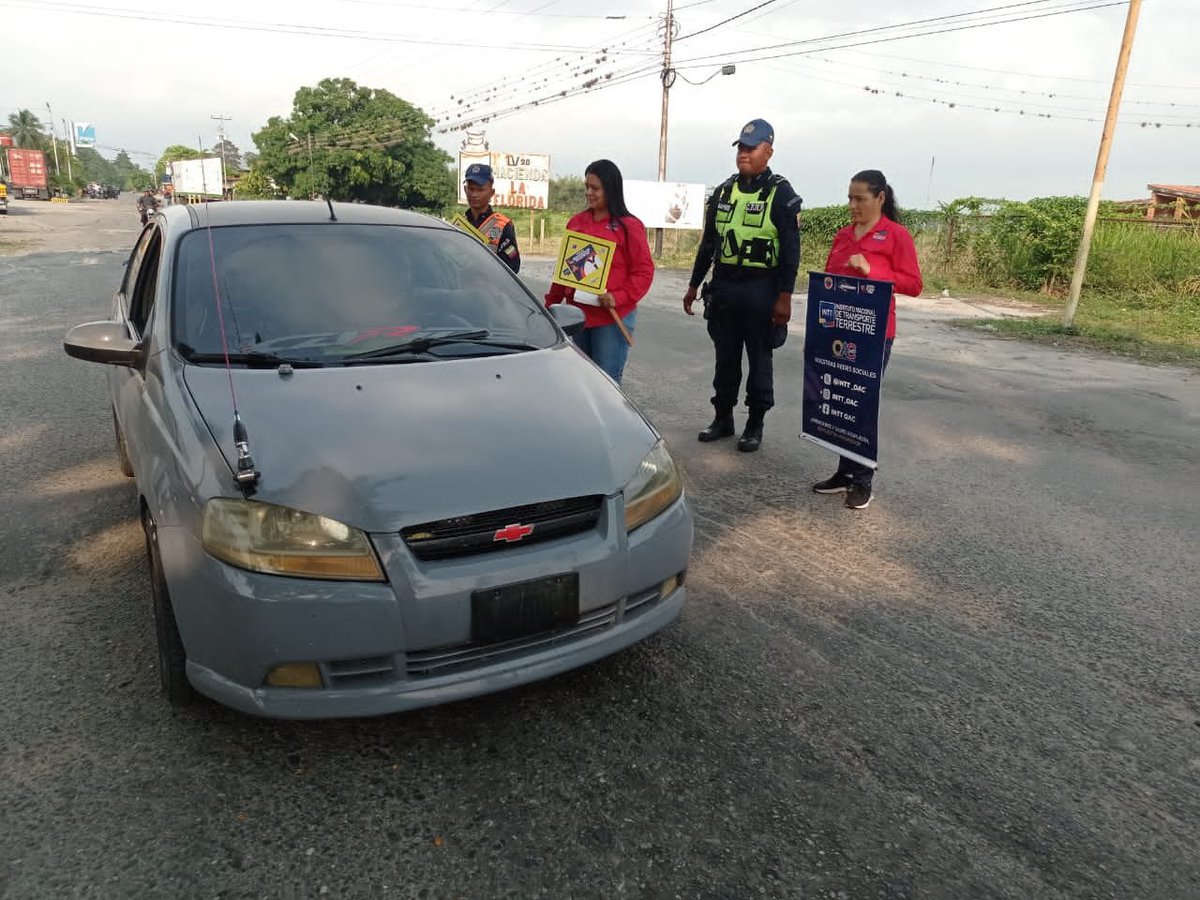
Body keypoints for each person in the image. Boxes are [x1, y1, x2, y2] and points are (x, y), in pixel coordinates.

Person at [683, 118, 802, 453]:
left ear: (769, 151)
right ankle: (723, 418)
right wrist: (693, 286)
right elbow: (709, 245)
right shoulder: (723, 191)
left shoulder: (781, 193)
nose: (744, 154)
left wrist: (785, 297)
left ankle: (755, 423)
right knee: (725, 357)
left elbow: (791, 251)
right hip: (724, 288)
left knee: (760, 359)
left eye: (751, 148)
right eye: (741, 148)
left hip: (761, 290)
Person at [812, 169, 923, 510]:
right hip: (839, 329)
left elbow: (913, 285)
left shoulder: (895, 235)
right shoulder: (843, 235)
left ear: (880, 198)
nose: (853, 205)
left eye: (860, 199)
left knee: (862, 403)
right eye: (850, 198)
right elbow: (829, 281)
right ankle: (844, 473)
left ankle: (862, 480)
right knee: (840, 403)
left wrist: (873, 271)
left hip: (875, 334)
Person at [545, 159, 654, 385]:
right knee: (579, 382)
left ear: (610, 189)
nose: (589, 193)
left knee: (606, 384)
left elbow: (643, 271)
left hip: (611, 319)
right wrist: (550, 307)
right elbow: (564, 271)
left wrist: (618, 297)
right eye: (586, 187)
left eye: (595, 188)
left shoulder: (629, 226)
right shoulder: (576, 223)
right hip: (576, 318)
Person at [462, 163, 521, 274]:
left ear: (491, 192)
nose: (474, 194)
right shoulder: (458, 225)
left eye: (480, 190)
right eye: (471, 189)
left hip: (490, 288)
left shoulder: (502, 225)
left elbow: (513, 267)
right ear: (465, 190)